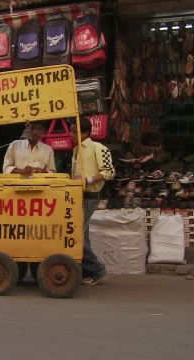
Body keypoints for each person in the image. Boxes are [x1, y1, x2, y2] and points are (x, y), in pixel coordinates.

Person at [70, 118, 115, 285]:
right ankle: (85, 272)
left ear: (85, 133)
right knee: (83, 235)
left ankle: (97, 270)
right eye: (71, 130)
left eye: (75, 131)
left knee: (75, 234)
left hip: (90, 196)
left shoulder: (98, 148)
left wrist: (86, 180)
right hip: (78, 196)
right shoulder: (75, 150)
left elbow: (109, 172)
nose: (71, 134)